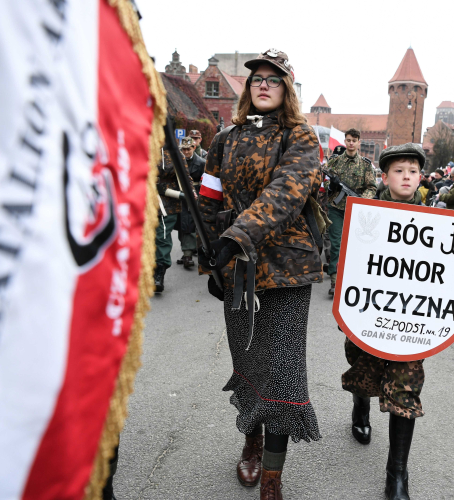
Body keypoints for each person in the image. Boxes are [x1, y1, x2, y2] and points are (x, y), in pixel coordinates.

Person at [196, 48, 322, 500]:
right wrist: (209, 255)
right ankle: (251, 438)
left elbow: (285, 193)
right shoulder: (223, 140)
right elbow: (208, 201)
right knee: (249, 363)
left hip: (287, 268)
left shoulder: (301, 137)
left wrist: (237, 235)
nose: (263, 84)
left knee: (284, 372)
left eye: (273, 78)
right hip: (236, 272)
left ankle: (272, 474)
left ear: (287, 88)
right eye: (256, 79)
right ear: (248, 89)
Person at [342, 143, 426, 500]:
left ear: (421, 177)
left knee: (405, 389)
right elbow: (350, 261)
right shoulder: (367, 214)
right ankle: (361, 403)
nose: (406, 177)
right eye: (398, 171)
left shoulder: (437, 221)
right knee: (361, 367)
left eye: (412, 171)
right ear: (385, 176)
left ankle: (397, 475)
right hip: (368, 314)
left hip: (410, 320)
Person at [325, 128, 377, 297]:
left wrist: (362, 200)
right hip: (336, 208)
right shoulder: (334, 162)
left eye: (354, 140)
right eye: (348, 140)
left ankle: (353, 280)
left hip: (356, 209)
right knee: (336, 244)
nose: (351, 143)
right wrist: (331, 186)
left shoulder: (366, 165)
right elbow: (323, 181)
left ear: (359, 142)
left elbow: (371, 187)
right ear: (345, 141)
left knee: (355, 245)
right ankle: (334, 280)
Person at [154, 138, 195, 292]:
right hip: (143, 199)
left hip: (167, 202)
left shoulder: (173, 152)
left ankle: (159, 272)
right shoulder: (140, 147)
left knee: (162, 237)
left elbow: (185, 177)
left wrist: (191, 195)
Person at [175, 137, 206, 269]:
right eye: (184, 149)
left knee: (190, 223)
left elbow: (205, 180)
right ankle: (187, 251)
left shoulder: (202, 162)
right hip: (179, 195)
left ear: (193, 148)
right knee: (181, 224)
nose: (186, 152)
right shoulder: (177, 162)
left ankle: (188, 253)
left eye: (188, 149)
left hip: (195, 196)